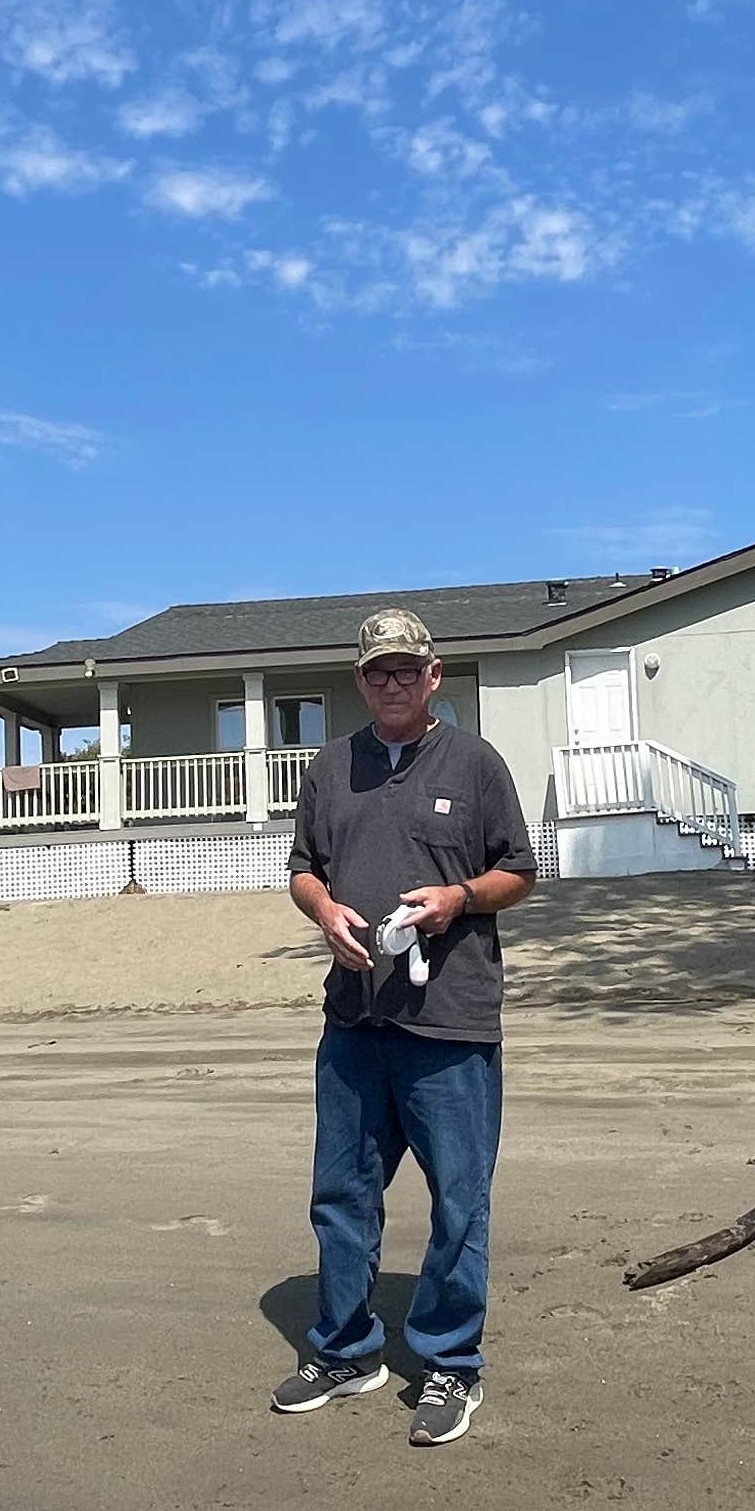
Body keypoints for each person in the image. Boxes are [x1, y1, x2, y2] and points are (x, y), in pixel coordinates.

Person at [272, 606, 538, 1446]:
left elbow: (519, 872)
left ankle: (451, 1365)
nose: (391, 684)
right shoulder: (330, 768)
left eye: (406, 671)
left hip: (450, 1020)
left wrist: (459, 899)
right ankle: (348, 1350)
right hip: (355, 1019)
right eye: (376, 672)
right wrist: (325, 913)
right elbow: (302, 869)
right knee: (341, 1192)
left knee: (460, 1198)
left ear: (433, 679)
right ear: (361, 681)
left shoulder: (476, 762)